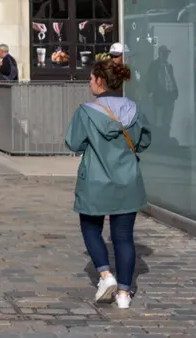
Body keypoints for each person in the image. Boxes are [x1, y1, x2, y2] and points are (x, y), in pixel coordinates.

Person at [65, 60, 151, 310]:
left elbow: (73, 142)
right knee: (123, 237)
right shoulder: (134, 109)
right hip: (127, 179)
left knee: (91, 228)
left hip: (95, 180)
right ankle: (124, 293)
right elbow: (144, 142)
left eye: (91, 78)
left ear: (100, 80)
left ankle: (105, 275)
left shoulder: (86, 111)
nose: (89, 82)